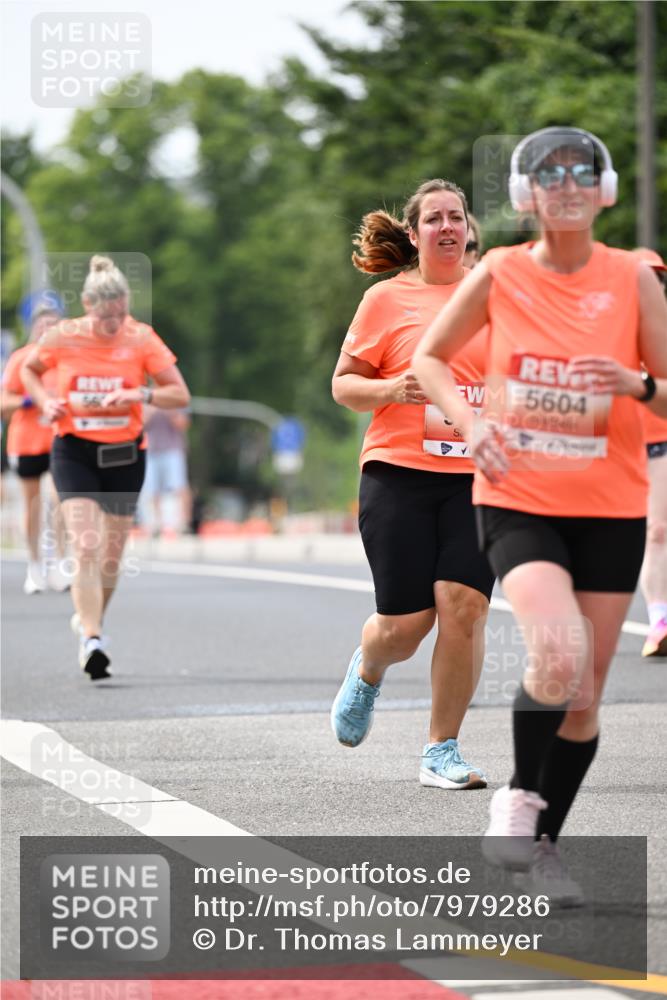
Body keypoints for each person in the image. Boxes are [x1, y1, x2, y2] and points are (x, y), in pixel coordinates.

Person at [414, 128, 667, 896]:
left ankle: (544, 843)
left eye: (579, 172)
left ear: (603, 188)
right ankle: (520, 803)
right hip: (517, 495)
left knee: (583, 693)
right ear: (526, 194)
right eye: (548, 175)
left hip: (610, 500)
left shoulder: (633, 278)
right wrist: (471, 420)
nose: (564, 185)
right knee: (555, 654)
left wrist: (633, 384)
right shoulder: (497, 272)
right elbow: (430, 357)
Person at [330, 179, 495, 790]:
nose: (447, 226)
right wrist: (391, 389)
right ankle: (370, 665)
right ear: (414, 233)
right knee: (406, 626)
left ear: (469, 228)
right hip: (397, 473)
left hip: (476, 478)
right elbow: (343, 385)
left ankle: (440, 751)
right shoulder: (385, 300)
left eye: (457, 216)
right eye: (434, 218)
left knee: (464, 607)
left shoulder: (497, 292)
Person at [22, 255, 190, 679]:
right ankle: (92, 639)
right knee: (86, 546)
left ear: (127, 304)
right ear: (86, 305)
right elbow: (29, 369)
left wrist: (140, 395)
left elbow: (179, 394)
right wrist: (46, 402)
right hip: (74, 450)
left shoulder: (142, 338)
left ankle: (91, 618)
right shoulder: (63, 336)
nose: (113, 324)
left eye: (120, 314)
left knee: (111, 559)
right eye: (105, 318)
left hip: (124, 455)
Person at [1, 298, 69, 594]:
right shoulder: (21, 359)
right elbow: (4, 404)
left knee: (59, 500)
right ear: (34, 327)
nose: (47, 328)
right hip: (27, 442)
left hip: (59, 441)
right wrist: (31, 400)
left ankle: (59, 563)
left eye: (53, 324)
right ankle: (34, 564)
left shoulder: (68, 358)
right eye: (42, 323)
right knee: (31, 505)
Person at [631, 248, 667, 657]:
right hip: (622, 448)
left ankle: (660, 621)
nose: (651, 284)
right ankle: (659, 619)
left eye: (657, 277)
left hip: (663, 445)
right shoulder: (605, 332)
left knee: (659, 530)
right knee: (651, 533)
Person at [141, 404, 191, 535]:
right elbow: (140, 425)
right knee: (152, 488)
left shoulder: (175, 397)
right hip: (151, 449)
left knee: (180, 486)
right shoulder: (146, 398)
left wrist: (169, 409)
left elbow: (183, 424)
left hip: (172, 449)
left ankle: (184, 524)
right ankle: (155, 524)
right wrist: (152, 409)